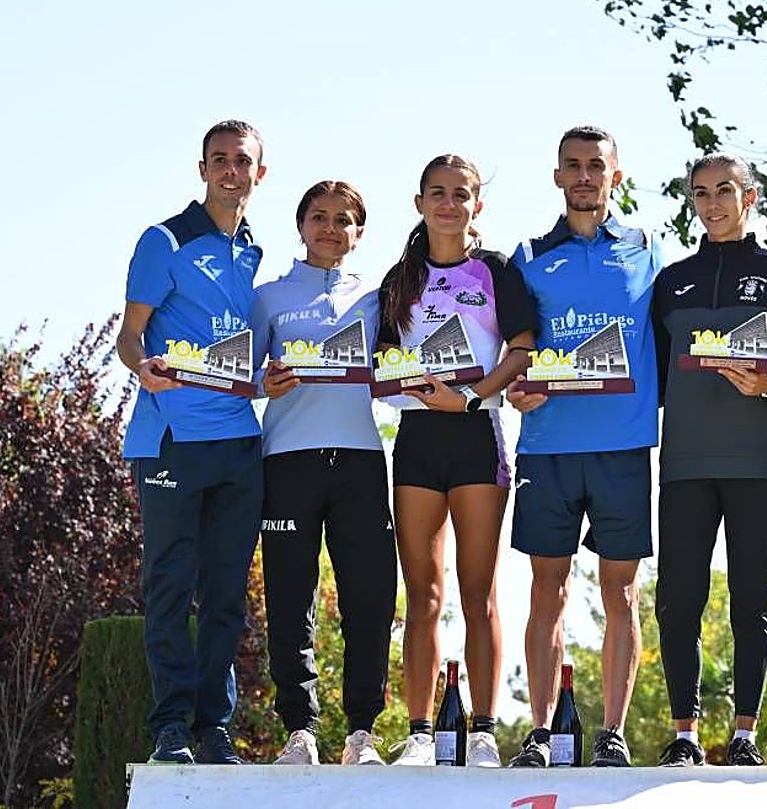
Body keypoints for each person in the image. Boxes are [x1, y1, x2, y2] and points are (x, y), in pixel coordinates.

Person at [505, 126, 662, 768]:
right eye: (572, 165)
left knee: (621, 593)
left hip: (625, 445)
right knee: (548, 590)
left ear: (615, 176)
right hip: (549, 447)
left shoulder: (648, 249)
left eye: (595, 166)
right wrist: (516, 386)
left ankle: (613, 735)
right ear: (556, 175)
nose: (583, 176)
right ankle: (541, 732)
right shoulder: (527, 254)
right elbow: (513, 348)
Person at [116, 119, 267, 765]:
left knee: (227, 593)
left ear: (261, 173)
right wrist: (138, 366)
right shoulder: (164, 239)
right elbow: (130, 333)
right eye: (220, 160)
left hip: (240, 442)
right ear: (202, 169)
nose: (231, 171)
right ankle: (171, 726)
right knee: (172, 586)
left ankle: (214, 727)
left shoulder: (255, 253)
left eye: (243, 161)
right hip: (173, 440)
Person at [379, 154, 537, 767]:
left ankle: (482, 731)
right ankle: (421, 732)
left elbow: (521, 349)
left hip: (478, 436)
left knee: (479, 593)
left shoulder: (497, 270)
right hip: (416, 439)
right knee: (421, 594)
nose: (449, 204)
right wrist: (417, 391)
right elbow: (387, 362)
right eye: (437, 193)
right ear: (420, 202)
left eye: (461, 194)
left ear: (478, 204)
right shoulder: (400, 278)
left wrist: (469, 397)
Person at [651, 153, 767, 767]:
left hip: (758, 460)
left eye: (724, 191)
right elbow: (653, 376)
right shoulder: (672, 280)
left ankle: (744, 734)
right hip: (685, 460)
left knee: (751, 598)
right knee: (678, 598)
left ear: (751, 196)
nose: (712, 203)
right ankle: (685, 735)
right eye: (700, 193)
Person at [250, 181, 397, 766]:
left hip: (360, 457)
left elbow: (402, 366)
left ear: (359, 233)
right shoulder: (267, 298)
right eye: (319, 217)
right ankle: (300, 732)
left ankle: (362, 733)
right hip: (286, 460)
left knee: (369, 598)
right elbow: (245, 374)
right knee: (290, 598)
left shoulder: (381, 296)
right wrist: (265, 381)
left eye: (344, 220)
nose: (330, 228)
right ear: (301, 225)